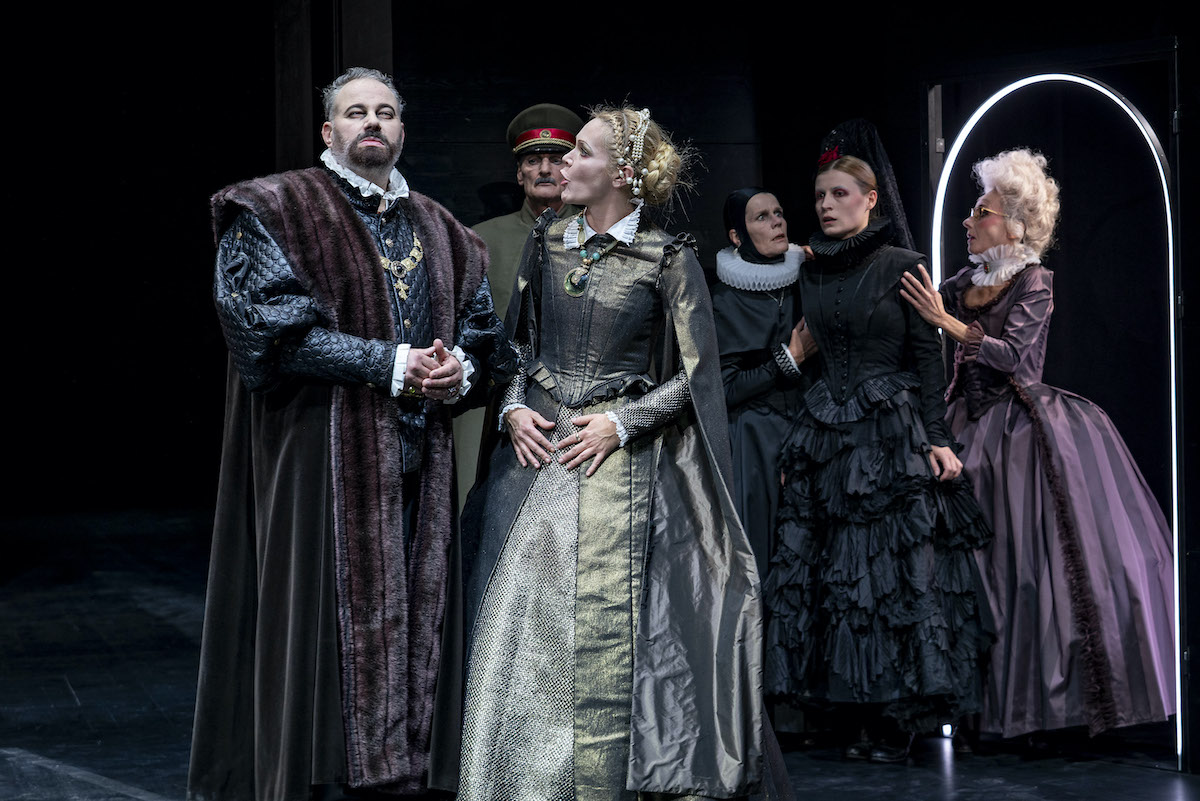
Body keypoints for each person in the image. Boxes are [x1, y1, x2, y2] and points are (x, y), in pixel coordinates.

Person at [189, 67, 516, 801]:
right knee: (325, 621)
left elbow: (483, 336)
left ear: (402, 129)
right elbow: (267, 333)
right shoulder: (275, 209)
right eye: (355, 112)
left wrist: (457, 369)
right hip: (321, 459)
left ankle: (406, 768)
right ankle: (324, 777)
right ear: (328, 131)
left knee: (415, 611)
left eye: (386, 112)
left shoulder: (446, 230)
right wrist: (391, 363)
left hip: (418, 460)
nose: (372, 122)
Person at [458, 107, 765, 798]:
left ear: (623, 172)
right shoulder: (547, 241)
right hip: (535, 454)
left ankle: (599, 779)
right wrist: (512, 407)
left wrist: (621, 423)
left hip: (615, 465)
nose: (563, 164)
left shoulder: (666, 258)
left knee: (603, 625)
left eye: (580, 152)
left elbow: (697, 377)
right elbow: (518, 345)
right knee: (518, 622)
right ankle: (514, 779)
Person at [900, 148, 1175, 738]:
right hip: (964, 425)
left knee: (1027, 568)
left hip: (1022, 430)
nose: (969, 221)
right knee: (970, 569)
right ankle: (970, 709)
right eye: (973, 211)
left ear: (1016, 226)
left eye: (983, 212)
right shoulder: (962, 282)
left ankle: (1032, 713)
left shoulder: (1035, 282)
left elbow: (1014, 359)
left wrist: (949, 325)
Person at [764, 154, 991, 763]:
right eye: (820, 196)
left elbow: (927, 359)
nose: (825, 205)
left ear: (870, 200)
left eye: (839, 194)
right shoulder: (808, 271)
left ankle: (896, 719)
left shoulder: (902, 265)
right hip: (824, 433)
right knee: (834, 578)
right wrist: (798, 442)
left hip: (887, 433)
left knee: (888, 576)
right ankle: (850, 713)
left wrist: (937, 438)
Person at [456, 104, 584, 508]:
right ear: (519, 174)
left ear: (573, 168)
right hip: (492, 400)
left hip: (576, 403)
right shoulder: (479, 241)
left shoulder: (602, 237)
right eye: (533, 161)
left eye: (557, 159)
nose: (545, 169)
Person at [710, 188, 812, 579]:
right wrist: (788, 360)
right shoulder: (724, 300)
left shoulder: (805, 279)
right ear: (737, 236)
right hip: (754, 439)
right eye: (762, 217)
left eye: (778, 212)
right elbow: (725, 390)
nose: (777, 222)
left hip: (807, 430)